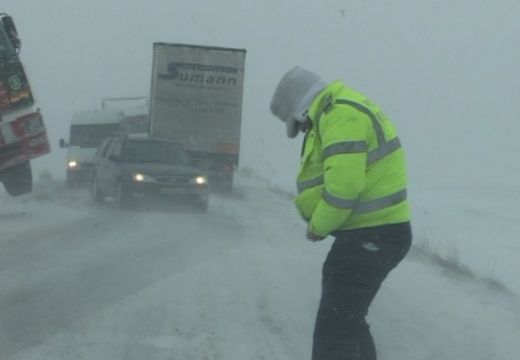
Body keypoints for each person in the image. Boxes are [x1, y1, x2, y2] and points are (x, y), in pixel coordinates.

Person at [270, 66, 412, 360]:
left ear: (301, 108)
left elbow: (345, 188)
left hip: (373, 236)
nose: (303, 131)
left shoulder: (341, 115)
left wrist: (318, 226)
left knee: (333, 332)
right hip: (371, 236)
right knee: (347, 320)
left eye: (300, 125)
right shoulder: (334, 111)